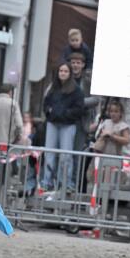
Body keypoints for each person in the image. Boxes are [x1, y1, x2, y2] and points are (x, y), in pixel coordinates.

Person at [41, 63, 84, 192]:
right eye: (61, 71)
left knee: (66, 155)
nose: (63, 73)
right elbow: (45, 104)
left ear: (70, 73)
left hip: (68, 125)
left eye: (65, 71)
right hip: (53, 123)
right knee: (49, 153)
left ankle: (65, 182)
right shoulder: (52, 88)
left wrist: (65, 114)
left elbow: (79, 109)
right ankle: (47, 181)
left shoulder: (76, 90)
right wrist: (49, 112)